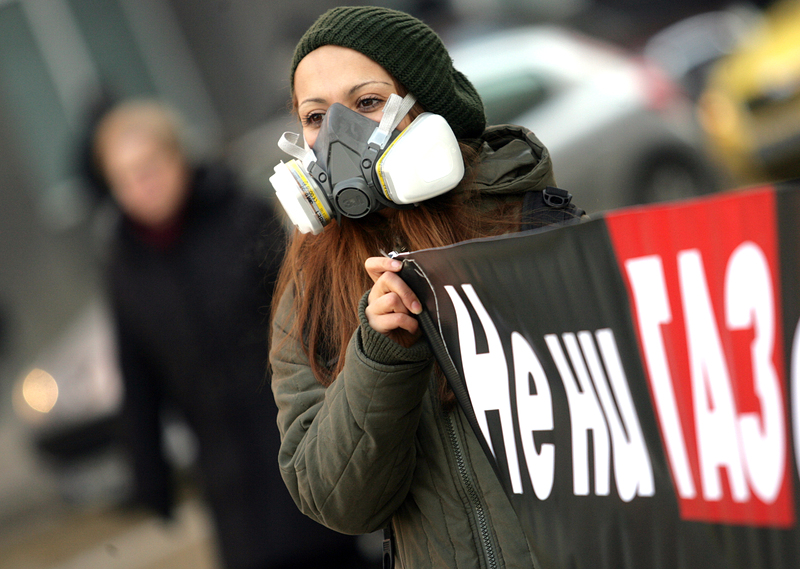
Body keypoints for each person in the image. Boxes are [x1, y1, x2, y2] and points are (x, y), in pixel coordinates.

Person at [269, 6, 583, 569]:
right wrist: (380, 354)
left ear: (428, 111)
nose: (339, 135)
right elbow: (337, 501)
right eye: (316, 117)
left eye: (366, 103)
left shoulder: (531, 226)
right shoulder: (309, 289)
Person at [92, 100, 371, 569]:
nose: (142, 185)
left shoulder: (241, 214)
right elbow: (136, 372)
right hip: (225, 469)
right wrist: (149, 476)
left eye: (149, 166)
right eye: (125, 178)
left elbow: (312, 316)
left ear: (178, 158)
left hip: (293, 436)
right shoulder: (126, 265)